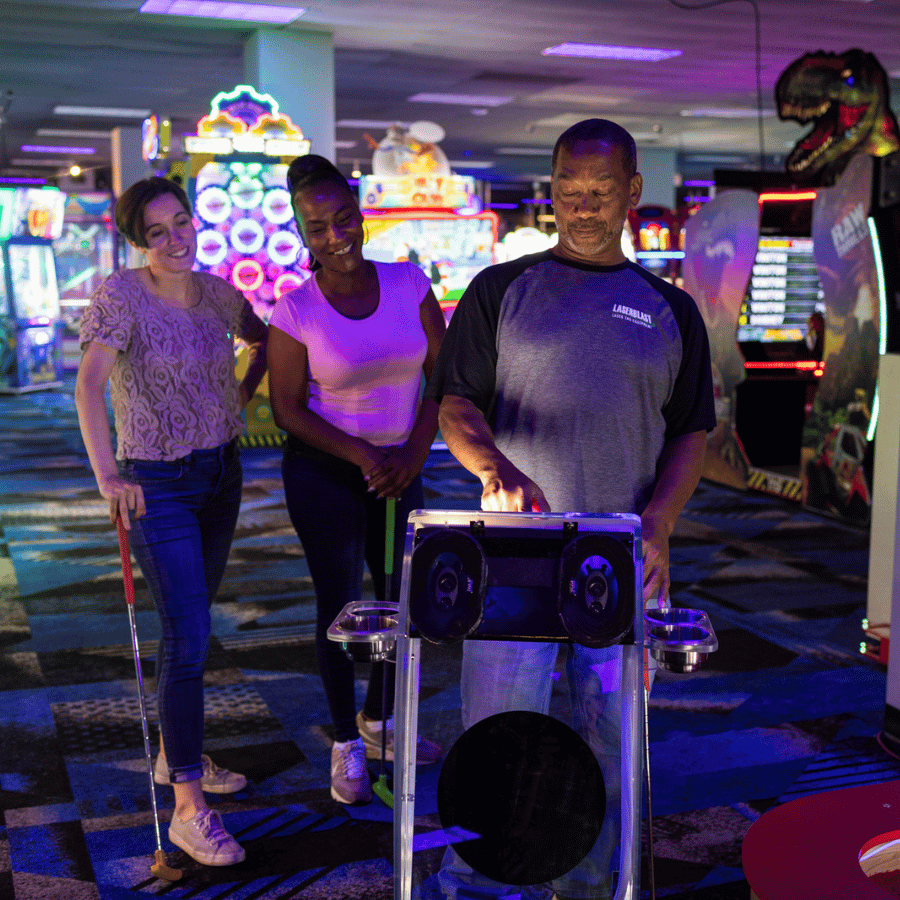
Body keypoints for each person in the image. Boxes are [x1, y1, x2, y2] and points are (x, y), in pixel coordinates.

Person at [427, 119, 716, 900]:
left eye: (600, 191)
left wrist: (661, 523)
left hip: (623, 557)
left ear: (632, 192)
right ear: (550, 188)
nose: (583, 206)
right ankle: (480, 883)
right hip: (513, 556)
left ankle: (592, 882)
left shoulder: (669, 309)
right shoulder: (500, 291)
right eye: (569, 189)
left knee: (612, 743)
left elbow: (691, 435)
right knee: (498, 735)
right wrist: (494, 467)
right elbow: (456, 405)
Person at [75, 176, 268, 867]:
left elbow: (263, 342)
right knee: (188, 636)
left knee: (191, 625)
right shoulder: (121, 296)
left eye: (181, 222)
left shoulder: (219, 293)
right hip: (155, 483)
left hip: (221, 476)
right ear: (138, 241)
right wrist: (108, 476)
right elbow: (88, 385)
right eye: (157, 232)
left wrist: (239, 396)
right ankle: (188, 809)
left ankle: (174, 756)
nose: (175, 239)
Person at [267, 155, 446, 805]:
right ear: (302, 234)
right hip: (326, 472)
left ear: (360, 213)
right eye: (317, 227)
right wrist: (364, 456)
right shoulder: (295, 310)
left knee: (403, 601)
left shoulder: (409, 284)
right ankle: (345, 740)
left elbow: (443, 374)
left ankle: (379, 719)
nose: (336, 236)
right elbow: (287, 409)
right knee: (341, 607)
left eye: (344, 218)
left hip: (401, 466)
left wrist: (415, 451)